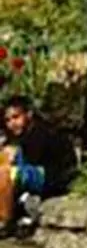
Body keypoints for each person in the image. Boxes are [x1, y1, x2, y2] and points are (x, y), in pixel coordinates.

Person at [1, 94, 77, 238]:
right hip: (37, 170)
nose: (11, 123)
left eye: (16, 117)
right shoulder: (22, 133)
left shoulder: (40, 132)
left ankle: (5, 221)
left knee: (5, 173)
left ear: (28, 114)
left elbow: (29, 162)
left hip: (54, 176)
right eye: (8, 120)